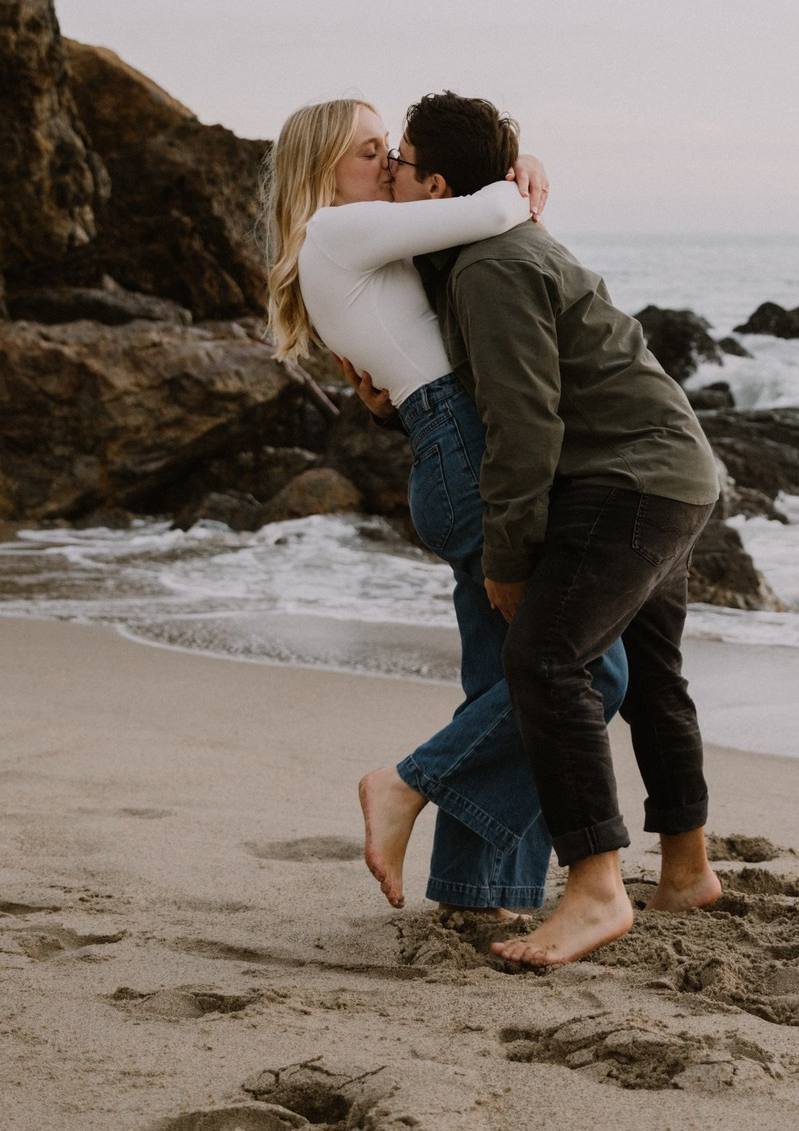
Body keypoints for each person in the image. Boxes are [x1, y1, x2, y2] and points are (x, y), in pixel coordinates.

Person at [263, 97, 630, 915]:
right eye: (370, 151)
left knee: (504, 678)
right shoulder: (336, 228)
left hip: (451, 447)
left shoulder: (363, 240)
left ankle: (478, 891)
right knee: (586, 670)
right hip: (463, 451)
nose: (390, 163)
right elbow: (494, 209)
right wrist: (523, 176)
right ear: (322, 169)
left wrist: (526, 166)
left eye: (391, 148)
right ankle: (405, 784)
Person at [393, 92, 727, 966]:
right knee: (651, 677)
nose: (389, 170)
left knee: (543, 660)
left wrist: (507, 558)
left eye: (401, 160)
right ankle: (686, 870)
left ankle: (595, 889)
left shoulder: (489, 266)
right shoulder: (497, 243)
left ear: (436, 185)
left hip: (628, 481)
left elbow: (524, 424)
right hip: (673, 466)